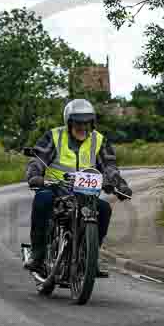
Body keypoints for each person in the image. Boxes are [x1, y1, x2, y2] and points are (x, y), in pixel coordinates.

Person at [23, 99, 132, 277]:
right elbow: (38, 158)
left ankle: (91, 257)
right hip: (56, 189)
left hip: (85, 192)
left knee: (104, 209)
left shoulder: (99, 140)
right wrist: (35, 176)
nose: (83, 127)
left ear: (92, 122)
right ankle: (38, 255)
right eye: (78, 122)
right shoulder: (54, 136)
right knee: (42, 199)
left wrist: (120, 185)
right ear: (69, 122)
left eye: (87, 122)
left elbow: (109, 167)